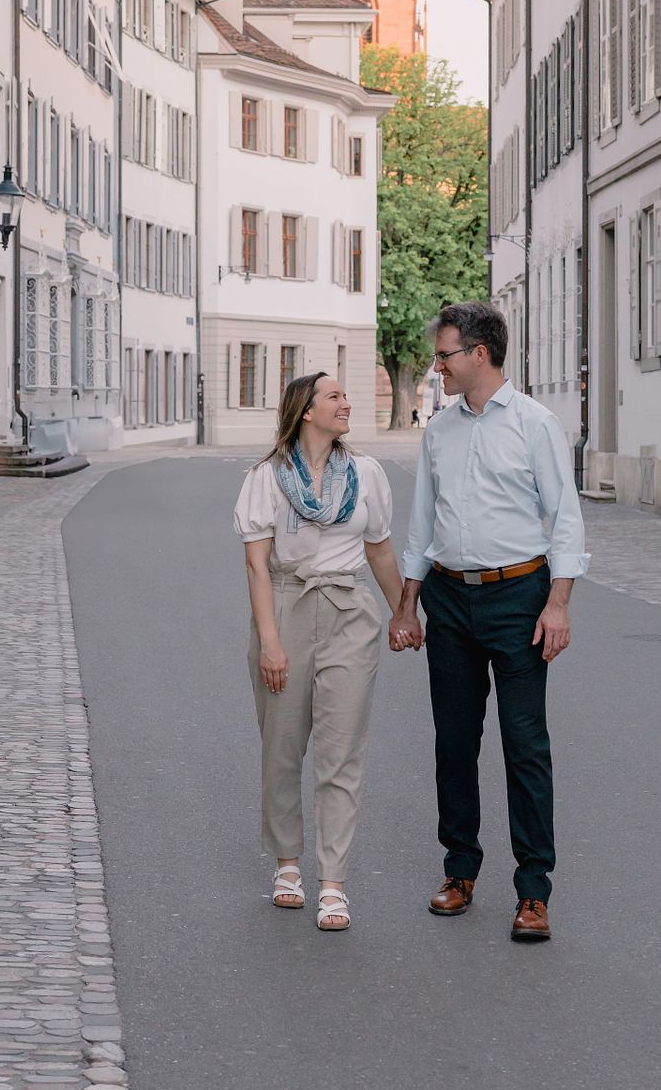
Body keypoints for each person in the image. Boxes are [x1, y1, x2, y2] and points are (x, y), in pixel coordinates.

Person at [389, 301, 590, 943]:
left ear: (479, 353)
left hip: (519, 598)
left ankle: (534, 890)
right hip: (448, 598)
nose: (438, 366)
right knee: (454, 741)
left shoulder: (535, 424)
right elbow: (423, 522)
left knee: (524, 744)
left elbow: (564, 520)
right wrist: (406, 603)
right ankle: (460, 870)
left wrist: (557, 602)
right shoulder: (439, 430)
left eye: (446, 354)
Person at [234, 371, 404, 932]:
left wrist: (404, 610)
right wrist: (271, 642)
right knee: (282, 748)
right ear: (306, 410)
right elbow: (256, 564)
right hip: (284, 606)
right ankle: (288, 865)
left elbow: (378, 549)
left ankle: (333, 883)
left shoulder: (366, 474)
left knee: (341, 752)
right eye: (335, 396)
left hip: (349, 611)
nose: (347, 404)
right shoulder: (266, 478)